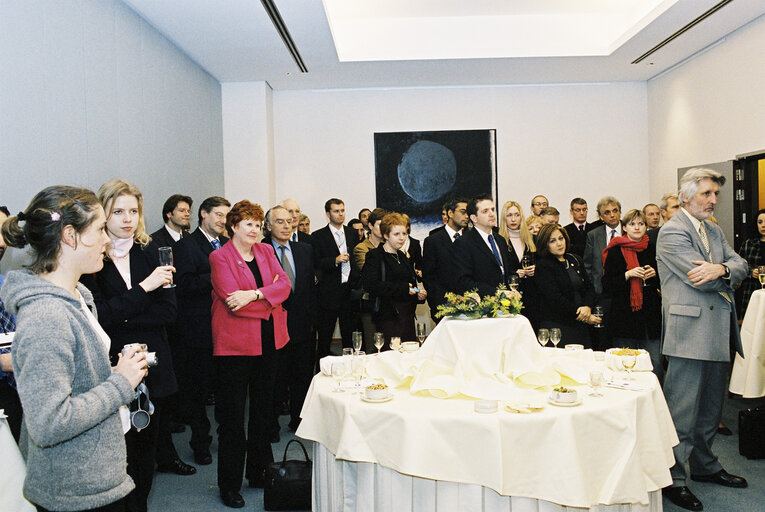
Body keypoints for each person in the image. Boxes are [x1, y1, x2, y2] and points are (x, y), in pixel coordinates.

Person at [0, 185, 148, 512]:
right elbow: (51, 422)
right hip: (74, 492)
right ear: (70, 236)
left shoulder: (78, 297)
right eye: (99, 229)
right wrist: (121, 383)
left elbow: (73, 379)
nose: (108, 238)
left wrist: (111, 372)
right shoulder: (47, 316)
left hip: (97, 477)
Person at [79, 179, 189, 512]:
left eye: (133, 211)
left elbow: (169, 312)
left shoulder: (152, 249)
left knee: (145, 457)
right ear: (103, 214)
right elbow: (101, 316)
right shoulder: (91, 259)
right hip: (110, 369)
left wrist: (125, 312)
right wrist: (146, 288)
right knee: (116, 458)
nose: (127, 218)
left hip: (154, 366)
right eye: (118, 211)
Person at [657, 168, 748, 511]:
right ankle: (673, 479)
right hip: (689, 334)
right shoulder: (671, 232)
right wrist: (721, 272)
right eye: (706, 194)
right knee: (681, 413)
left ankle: (706, 466)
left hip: (718, 331)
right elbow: (700, 280)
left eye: (715, 195)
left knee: (711, 409)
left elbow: (739, 265)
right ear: (685, 197)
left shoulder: (713, 229)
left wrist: (722, 269)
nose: (713, 200)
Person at [209, 200, 290, 509]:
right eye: (248, 224)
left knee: (263, 413)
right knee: (232, 419)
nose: (255, 229)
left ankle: (258, 473)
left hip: (269, 343)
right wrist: (269, 300)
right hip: (235, 347)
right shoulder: (220, 257)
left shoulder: (266, 251)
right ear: (233, 227)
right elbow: (232, 302)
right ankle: (229, 485)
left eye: (258, 224)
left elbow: (285, 286)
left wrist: (256, 293)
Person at [173, 196, 231, 465]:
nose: (222, 220)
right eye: (218, 215)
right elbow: (182, 285)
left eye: (225, 216)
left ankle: (226, 434)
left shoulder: (229, 244)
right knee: (198, 391)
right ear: (203, 215)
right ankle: (201, 443)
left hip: (227, 327)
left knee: (224, 387)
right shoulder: (186, 245)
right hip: (198, 329)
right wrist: (219, 274)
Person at [265, 206, 316, 433]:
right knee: (275, 379)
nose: (286, 226)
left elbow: (308, 288)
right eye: (279, 221)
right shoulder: (261, 251)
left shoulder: (305, 249)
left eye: (289, 221)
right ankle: (272, 424)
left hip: (303, 324)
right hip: (273, 325)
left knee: (302, 376)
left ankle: (299, 420)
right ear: (268, 226)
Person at [601, 210, 663, 381]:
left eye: (641, 224)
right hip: (624, 317)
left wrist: (655, 274)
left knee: (654, 364)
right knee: (623, 365)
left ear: (646, 226)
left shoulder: (652, 248)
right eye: (632, 224)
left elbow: (663, 282)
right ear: (624, 227)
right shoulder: (615, 250)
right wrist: (627, 275)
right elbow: (607, 285)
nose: (637, 227)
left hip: (649, 317)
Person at [361, 213, 426, 347]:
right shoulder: (375, 256)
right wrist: (403, 289)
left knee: (409, 353)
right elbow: (371, 285)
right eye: (396, 234)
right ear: (385, 235)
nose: (402, 238)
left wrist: (417, 293)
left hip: (407, 315)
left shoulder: (402, 256)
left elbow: (409, 282)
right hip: (387, 316)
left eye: (404, 233)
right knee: (391, 356)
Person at [535, 223, 600, 346]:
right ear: (545, 244)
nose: (559, 243)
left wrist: (587, 307)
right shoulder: (543, 265)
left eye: (561, 238)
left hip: (580, 324)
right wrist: (582, 314)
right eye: (552, 241)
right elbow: (554, 298)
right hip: (557, 326)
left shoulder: (574, 259)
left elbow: (589, 288)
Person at [312, 198, 360, 361]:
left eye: (342, 211)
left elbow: (356, 258)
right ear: (328, 214)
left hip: (348, 291)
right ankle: (321, 371)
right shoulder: (318, 236)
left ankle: (350, 367)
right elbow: (316, 262)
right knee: (325, 335)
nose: (340, 214)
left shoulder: (352, 233)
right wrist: (335, 260)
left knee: (349, 335)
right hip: (328, 292)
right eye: (336, 211)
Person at [453, 195, 516, 296]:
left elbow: (505, 271)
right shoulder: (464, 243)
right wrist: (496, 293)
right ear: (474, 218)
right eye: (485, 211)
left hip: (506, 304)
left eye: (492, 209)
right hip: (482, 306)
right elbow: (464, 281)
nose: (491, 214)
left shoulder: (501, 240)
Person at [422, 198, 468, 322]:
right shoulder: (433, 241)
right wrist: (437, 303)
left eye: (468, 212)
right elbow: (428, 277)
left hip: (471, 306)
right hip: (443, 307)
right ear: (450, 213)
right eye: (463, 212)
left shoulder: (472, 238)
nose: (467, 216)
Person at [498, 201, 539, 328]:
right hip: (510, 297)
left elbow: (543, 262)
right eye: (509, 215)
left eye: (517, 214)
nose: (514, 219)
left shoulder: (532, 239)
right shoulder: (499, 241)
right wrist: (514, 274)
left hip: (532, 295)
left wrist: (536, 269)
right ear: (504, 218)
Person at [737, 208, 765, 316]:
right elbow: (738, 267)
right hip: (752, 291)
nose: (763, 225)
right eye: (760, 222)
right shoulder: (748, 244)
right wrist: (751, 272)